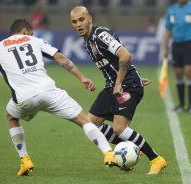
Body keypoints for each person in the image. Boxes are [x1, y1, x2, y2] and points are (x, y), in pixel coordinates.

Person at [0, 19, 115, 176]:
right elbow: (61, 58)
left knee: (11, 117)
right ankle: (108, 153)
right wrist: (81, 77)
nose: (30, 35)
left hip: (24, 98)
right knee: (83, 119)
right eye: (30, 33)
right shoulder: (35, 40)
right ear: (25, 31)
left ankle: (25, 160)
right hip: (49, 91)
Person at [70, 6, 167, 175]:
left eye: (81, 19)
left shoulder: (100, 35)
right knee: (90, 124)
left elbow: (125, 55)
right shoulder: (87, 41)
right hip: (113, 86)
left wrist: (122, 81)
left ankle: (156, 159)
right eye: (74, 21)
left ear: (90, 19)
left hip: (126, 86)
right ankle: (136, 146)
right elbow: (116, 62)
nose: (78, 24)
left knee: (119, 129)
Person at [163, 0, 191, 113]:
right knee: (178, 73)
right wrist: (165, 47)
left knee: (189, 71)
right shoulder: (171, 10)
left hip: (189, 44)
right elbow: (167, 30)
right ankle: (181, 105)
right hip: (176, 45)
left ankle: (190, 105)